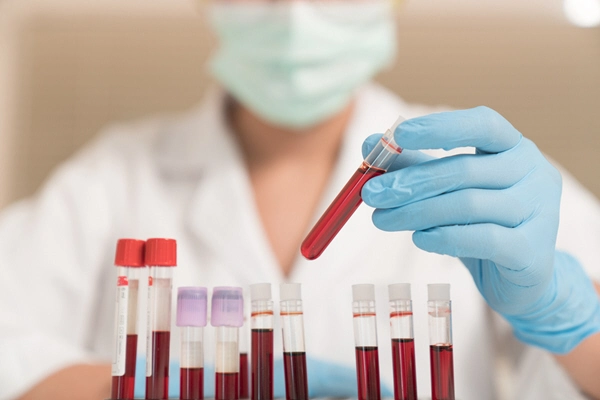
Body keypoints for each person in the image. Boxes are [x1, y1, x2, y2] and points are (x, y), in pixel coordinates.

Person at [2, 1, 600, 399]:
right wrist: (152, 387)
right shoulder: (108, 180)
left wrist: (562, 310)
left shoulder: (479, 167)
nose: (293, 11)